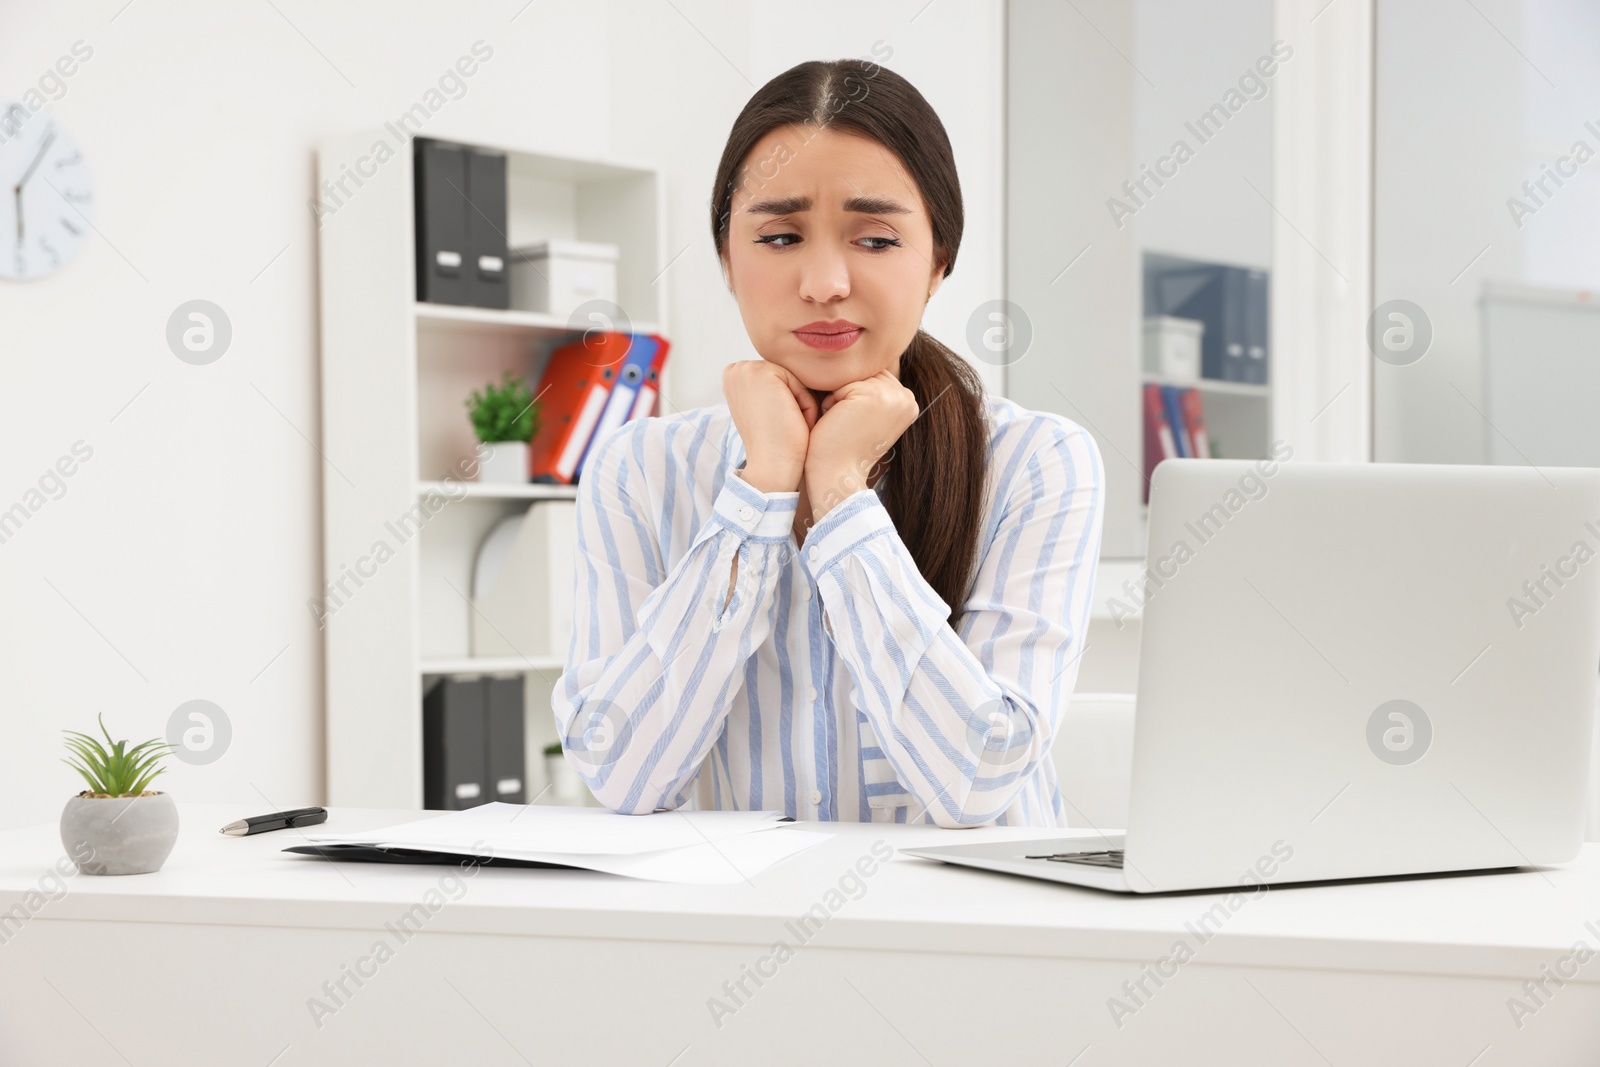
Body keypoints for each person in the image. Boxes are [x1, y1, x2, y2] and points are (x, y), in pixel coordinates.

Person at [553, 58, 1104, 827]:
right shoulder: (640, 470)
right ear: (726, 259)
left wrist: (840, 490)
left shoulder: (1037, 463)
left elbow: (979, 779)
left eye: (874, 240)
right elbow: (623, 772)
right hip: (740, 931)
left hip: (979, 936)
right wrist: (765, 484)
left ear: (938, 260)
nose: (823, 281)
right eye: (779, 236)